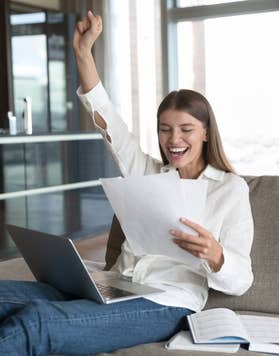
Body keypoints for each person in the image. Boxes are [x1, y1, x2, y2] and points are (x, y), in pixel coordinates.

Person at [0, 10, 254, 356]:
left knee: (36, 323)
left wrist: (217, 255)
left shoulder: (230, 189)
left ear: (206, 132)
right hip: (116, 285)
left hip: (168, 302)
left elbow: (242, 279)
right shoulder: (148, 173)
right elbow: (111, 127)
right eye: (165, 129)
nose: (173, 139)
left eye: (185, 129)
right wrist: (83, 53)